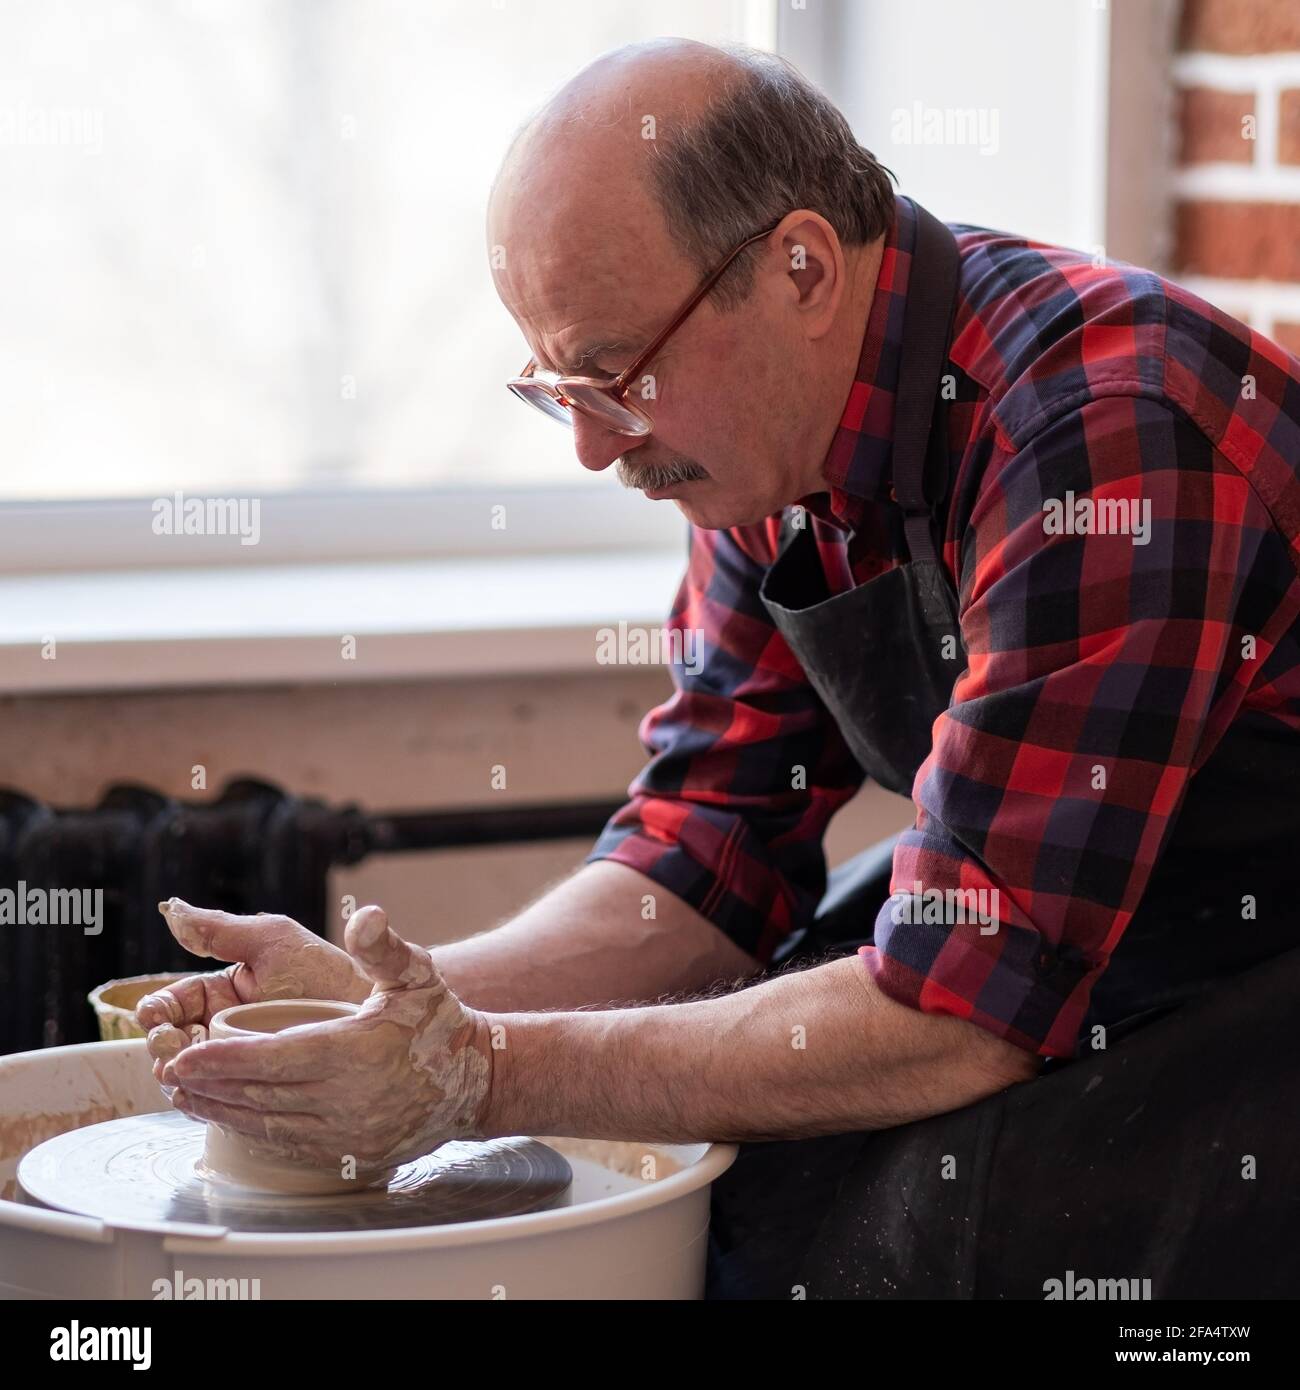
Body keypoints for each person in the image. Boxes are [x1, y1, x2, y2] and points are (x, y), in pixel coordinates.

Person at [140, 39, 1300, 1299]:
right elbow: (696, 861)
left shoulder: (1098, 437)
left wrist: (478, 1073)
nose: (593, 448)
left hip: (1255, 962)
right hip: (1064, 929)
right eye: (558, 388)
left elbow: (963, 1011)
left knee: (930, 1237)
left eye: (617, 374)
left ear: (798, 267)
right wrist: (384, 1003)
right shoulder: (763, 439)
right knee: (726, 1181)